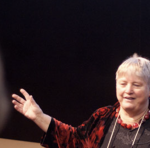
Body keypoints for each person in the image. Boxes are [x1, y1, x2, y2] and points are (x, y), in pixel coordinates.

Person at [12, 54, 150, 148]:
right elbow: (75, 141)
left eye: (136, 85)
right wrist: (38, 117)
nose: (128, 90)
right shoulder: (103, 116)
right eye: (123, 83)